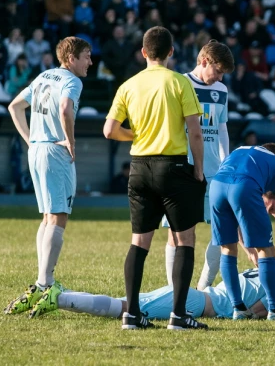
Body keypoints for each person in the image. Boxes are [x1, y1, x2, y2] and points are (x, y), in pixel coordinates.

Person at [103, 26, 207, 331]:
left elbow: (109, 130)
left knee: (139, 242)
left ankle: (132, 315)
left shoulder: (128, 85)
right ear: (171, 52)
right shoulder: (179, 82)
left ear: (144, 52)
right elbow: (195, 132)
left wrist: (133, 134)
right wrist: (198, 171)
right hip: (173, 167)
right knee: (184, 240)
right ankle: (178, 316)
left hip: (138, 167)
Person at [5, 36, 92, 316]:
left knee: (47, 217)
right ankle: (45, 284)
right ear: (71, 59)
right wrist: (70, 141)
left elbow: (14, 107)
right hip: (56, 150)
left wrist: (31, 140)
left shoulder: (43, 76)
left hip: (38, 150)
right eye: (86, 56)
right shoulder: (72, 81)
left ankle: (42, 282)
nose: (90, 61)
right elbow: (66, 108)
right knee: (58, 217)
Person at [163, 40, 235, 292]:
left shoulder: (221, 90)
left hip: (215, 171)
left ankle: (203, 287)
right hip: (183, 168)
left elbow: (221, 127)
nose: (219, 77)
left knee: (223, 229)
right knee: (178, 232)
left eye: (223, 74)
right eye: (217, 70)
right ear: (203, 61)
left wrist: (227, 162)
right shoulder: (178, 83)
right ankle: (174, 292)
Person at [211, 143, 275, 320]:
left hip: (217, 185)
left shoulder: (239, 150)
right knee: (264, 250)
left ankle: (238, 308)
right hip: (244, 186)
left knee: (227, 249)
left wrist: (247, 248)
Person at [28, 269, 275, 320]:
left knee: (125, 303)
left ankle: (63, 294)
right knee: (123, 308)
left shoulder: (270, 274)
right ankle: (60, 297)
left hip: (197, 297)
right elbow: (255, 314)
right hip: (197, 303)